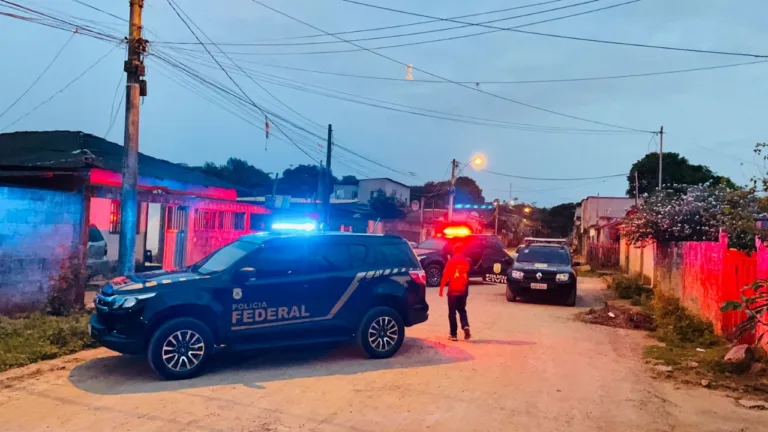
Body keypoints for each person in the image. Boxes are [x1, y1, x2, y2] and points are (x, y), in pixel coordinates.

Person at [439, 242, 471, 341]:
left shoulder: (451, 261)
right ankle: (465, 325)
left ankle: (453, 334)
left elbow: (445, 276)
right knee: (462, 309)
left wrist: (441, 289)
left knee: (452, 312)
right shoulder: (467, 261)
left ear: (454, 251)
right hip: (463, 289)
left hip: (453, 290)